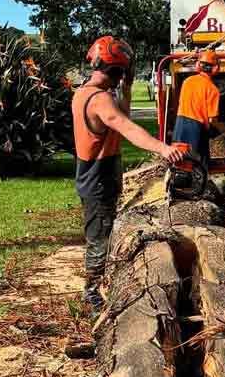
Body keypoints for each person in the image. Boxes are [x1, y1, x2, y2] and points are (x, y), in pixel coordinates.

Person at [73, 36, 184, 311]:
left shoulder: (85, 93)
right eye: (121, 73)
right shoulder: (99, 100)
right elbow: (127, 126)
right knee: (100, 239)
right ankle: (92, 296)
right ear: (114, 70)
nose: (121, 78)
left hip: (102, 174)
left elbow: (123, 113)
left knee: (106, 234)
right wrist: (163, 148)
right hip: (97, 178)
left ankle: (101, 285)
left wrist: (129, 87)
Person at [172, 49, 225, 168]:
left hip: (180, 126)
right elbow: (212, 120)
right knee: (198, 167)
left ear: (198, 65)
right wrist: (223, 128)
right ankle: (200, 185)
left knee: (181, 164)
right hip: (196, 130)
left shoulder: (187, 81)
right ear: (216, 68)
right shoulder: (213, 90)